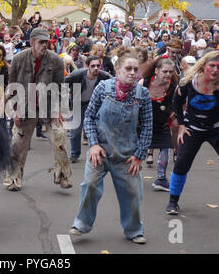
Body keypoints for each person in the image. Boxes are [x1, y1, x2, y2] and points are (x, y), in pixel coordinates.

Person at [69, 46, 153, 244]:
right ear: (117, 69)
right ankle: (81, 223)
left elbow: (148, 127)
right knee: (89, 185)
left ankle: (134, 230)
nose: (133, 73)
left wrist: (140, 154)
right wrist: (94, 145)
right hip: (101, 151)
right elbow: (88, 117)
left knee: (133, 193)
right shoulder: (103, 88)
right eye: (128, 69)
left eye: (135, 69)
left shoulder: (142, 95)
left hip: (127, 154)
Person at [167, 50, 219, 220]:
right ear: (203, 65)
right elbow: (176, 101)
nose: (215, 70)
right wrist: (182, 125)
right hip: (193, 130)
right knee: (182, 162)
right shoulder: (189, 81)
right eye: (212, 65)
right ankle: (173, 201)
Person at [4, 27, 73, 191]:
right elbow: (12, 87)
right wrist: (15, 110)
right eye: (41, 42)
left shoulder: (55, 60)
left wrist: (58, 110)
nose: (44, 45)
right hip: (25, 106)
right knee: (17, 143)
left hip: (49, 106)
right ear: (32, 42)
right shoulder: (18, 59)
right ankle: (14, 179)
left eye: (46, 42)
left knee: (60, 138)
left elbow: (61, 87)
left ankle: (62, 176)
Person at [139, 56, 178, 191]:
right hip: (142, 124)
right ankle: (132, 176)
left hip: (162, 123)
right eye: (165, 71)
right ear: (156, 71)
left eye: (170, 72)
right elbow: (133, 102)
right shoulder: (143, 82)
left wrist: (172, 114)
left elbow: (180, 105)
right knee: (137, 150)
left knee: (166, 147)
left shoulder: (174, 87)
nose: (168, 74)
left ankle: (161, 179)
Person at [66, 55, 111, 163]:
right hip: (78, 103)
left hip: (94, 104)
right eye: (93, 66)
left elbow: (116, 83)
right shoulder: (77, 75)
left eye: (98, 66)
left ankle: (99, 151)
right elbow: (62, 83)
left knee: (99, 129)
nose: (96, 68)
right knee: (75, 131)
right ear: (87, 66)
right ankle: (74, 154)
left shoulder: (104, 76)